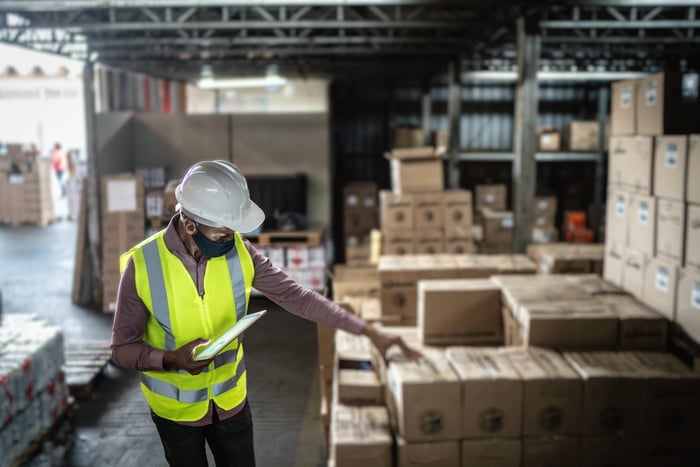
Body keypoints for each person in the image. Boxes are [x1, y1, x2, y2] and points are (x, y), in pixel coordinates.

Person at [110, 160, 420, 467]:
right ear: (190, 224)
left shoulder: (240, 252)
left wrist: (368, 331)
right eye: (223, 232)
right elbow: (122, 350)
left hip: (231, 405)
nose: (232, 239)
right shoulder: (143, 265)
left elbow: (298, 297)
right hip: (175, 416)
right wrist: (171, 359)